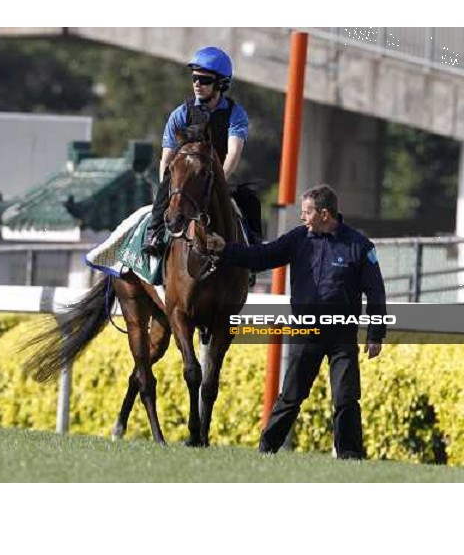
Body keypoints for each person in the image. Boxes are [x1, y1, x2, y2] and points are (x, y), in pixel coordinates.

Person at [207, 184, 387, 460]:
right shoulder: (298, 238)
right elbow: (263, 256)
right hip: (307, 332)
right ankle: (267, 449)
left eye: (307, 212)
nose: (303, 218)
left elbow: (376, 291)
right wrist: (225, 250)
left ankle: (350, 455)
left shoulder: (359, 246)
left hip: (342, 336)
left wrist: (376, 334)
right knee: (291, 396)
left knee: (346, 398)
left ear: (325, 214)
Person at [142, 46, 261, 256]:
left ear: (221, 84)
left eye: (204, 80)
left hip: (217, 176)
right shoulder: (180, 114)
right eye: (195, 78)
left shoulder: (236, 114)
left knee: (250, 200)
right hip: (182, 180)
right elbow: (166, 159)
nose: (197, 83)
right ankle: (154, 234)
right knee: (165, 190)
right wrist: (169, 189)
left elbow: (233, 153)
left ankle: (254, 251)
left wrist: (219, 180)